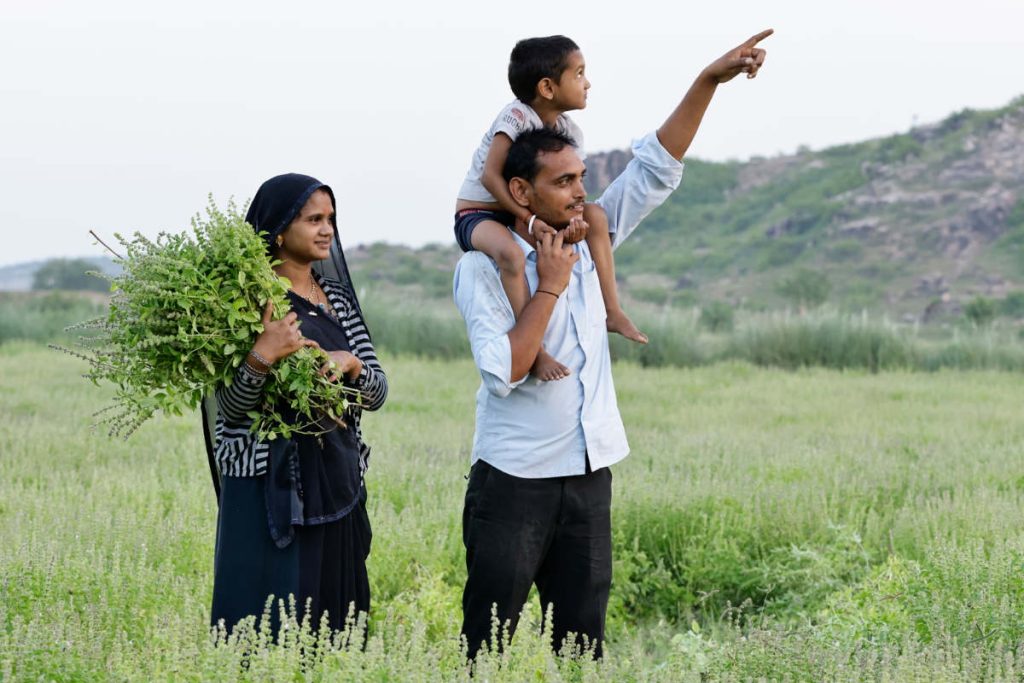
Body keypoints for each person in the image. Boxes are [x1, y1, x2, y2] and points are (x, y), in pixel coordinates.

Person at [453, 30, 772, 659]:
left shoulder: (589, 240)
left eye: (581, 178)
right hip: (514, 481)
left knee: (582, 645)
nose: (580, 192)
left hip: (590, 473)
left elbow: (656, 167)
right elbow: (505, 372)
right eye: (564, 182)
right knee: (485, 648)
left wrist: (708, 80)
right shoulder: (484, 267)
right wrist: (547, 288)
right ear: (520, 194)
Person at [202, 173, 388, 636]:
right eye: (313, 220)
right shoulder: (244, 304)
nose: (327, 229)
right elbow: (231, 409)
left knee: (334, 623)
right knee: (264, 623)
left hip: (337, 480)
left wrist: (352, 365)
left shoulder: (339, 301)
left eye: (331, 219)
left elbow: (380, 391)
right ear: (280, 230)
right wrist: (263, 354)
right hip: (269, 485)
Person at [454, 35, 645, 383]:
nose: (587, 83)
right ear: (547, 86)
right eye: (579, 73)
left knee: (597, 216)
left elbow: (567, 194)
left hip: (523, 210)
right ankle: (535, 350)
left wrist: (573, 226)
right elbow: (491, 177)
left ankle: (612, 310)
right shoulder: (515, 116)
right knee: (511, 256)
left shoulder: (568, 131)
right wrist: (531, 219)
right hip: (480, 213)